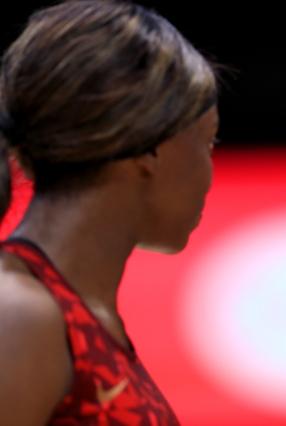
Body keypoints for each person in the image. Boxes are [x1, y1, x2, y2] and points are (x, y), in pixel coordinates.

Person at [0, 1, 219, 424]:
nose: (210, 172)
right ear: (151, 147)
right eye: (208, 142)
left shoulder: (76, 319)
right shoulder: (20, 313)